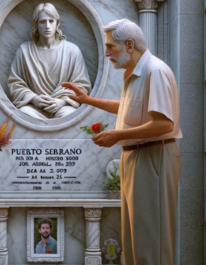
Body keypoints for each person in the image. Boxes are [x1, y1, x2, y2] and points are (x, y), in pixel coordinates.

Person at [62, 19, 182, 265]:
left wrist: (117, 135)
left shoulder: (154, 71)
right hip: (136, 156)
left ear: (129, 45)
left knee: (151, 238)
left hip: (153, 157)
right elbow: (128, 108)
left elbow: (164, 124)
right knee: (135, 237)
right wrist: (88, 100)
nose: (106, 53)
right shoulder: (136, 73)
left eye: (110, 47)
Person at [7, 3, 91, 119]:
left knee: (69, 115)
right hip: (33, 108)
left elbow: (82, 85)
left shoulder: (72, 50)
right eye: (42, 21)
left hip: (63, 106)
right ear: (35, 24)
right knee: (23, 113)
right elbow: (15, 84)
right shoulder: (24, 51)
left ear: (57, 23)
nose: (47, 26)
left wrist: (62, 101)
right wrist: (34, 99)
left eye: (51, 21)